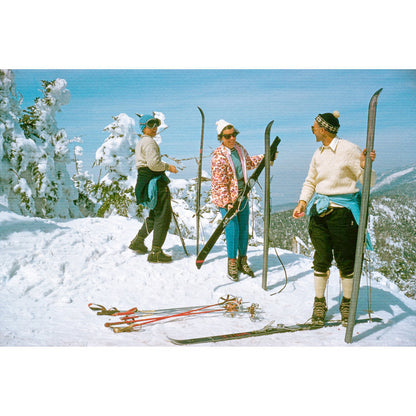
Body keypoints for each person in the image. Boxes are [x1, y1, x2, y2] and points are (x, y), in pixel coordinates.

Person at [292, 111, 376, 326]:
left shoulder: (348, 149)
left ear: (323, 129)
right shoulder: (318, 153)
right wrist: (302, 202)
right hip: (319, 213)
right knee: (321, 259)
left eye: (314, 127)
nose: (312, 130)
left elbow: (369, 182)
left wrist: (366, 167)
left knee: (345, 262)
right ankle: (319, 302)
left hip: (342, 213)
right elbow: (311, 180)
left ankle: (346, 303)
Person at [211, 119, 265, 281]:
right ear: (221, 137)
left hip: (242, 193)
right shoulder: (218, 155)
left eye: (234, 134)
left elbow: (248, 163)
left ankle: (243, 259)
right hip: (227, 198)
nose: (232, 138)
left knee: (243, 228)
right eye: (228, 136)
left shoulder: (239, 149)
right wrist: (227, 202)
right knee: (232, 229)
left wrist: (264, 156)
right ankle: (232, 262)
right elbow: (219, 182)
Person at [129, 114, 178, 263]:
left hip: (146, 181)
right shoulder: (149, 142)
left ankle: (138, 241)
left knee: (155, 214)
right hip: (155, 182)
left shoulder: (141, 142)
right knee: (163, 216)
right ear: (143, 127)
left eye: (156, 124)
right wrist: (168, 166)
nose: (154, 127)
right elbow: (154, 165)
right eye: (150, 124)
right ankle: (156, 251)